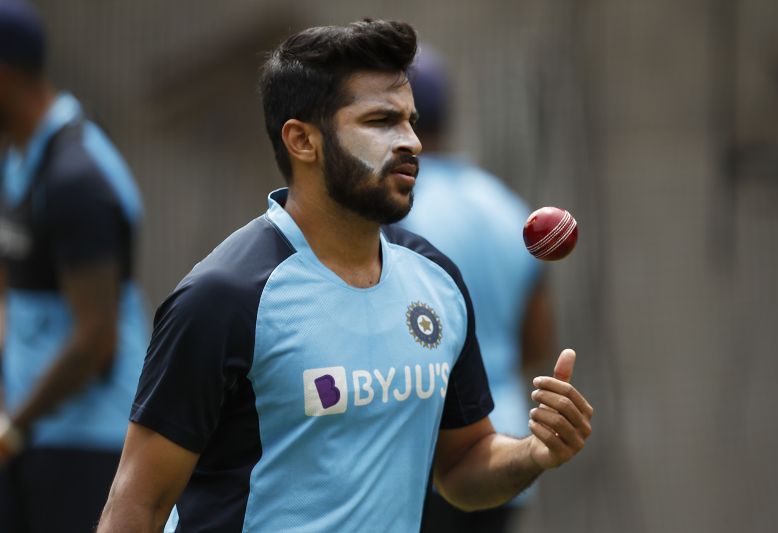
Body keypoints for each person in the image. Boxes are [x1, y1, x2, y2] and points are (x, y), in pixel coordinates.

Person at [98, 19, 592, 533]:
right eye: (381, 121)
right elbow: (138, 506)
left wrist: (534, 452)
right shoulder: (223, 299)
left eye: (410, 121)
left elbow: (462, 467)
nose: (411, 143)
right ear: (303, 141)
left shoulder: (437, 280)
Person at [0, 1, 149, 531]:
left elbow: (96, 339)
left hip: (86, 444)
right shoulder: (18, 157)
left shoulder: (75, 178)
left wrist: (12, 428)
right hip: (35, 430)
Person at [402, 48, 557, 532]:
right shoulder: (508, 208)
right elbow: (535, 342)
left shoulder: (391, 210)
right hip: (505, 444)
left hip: (421, 451)